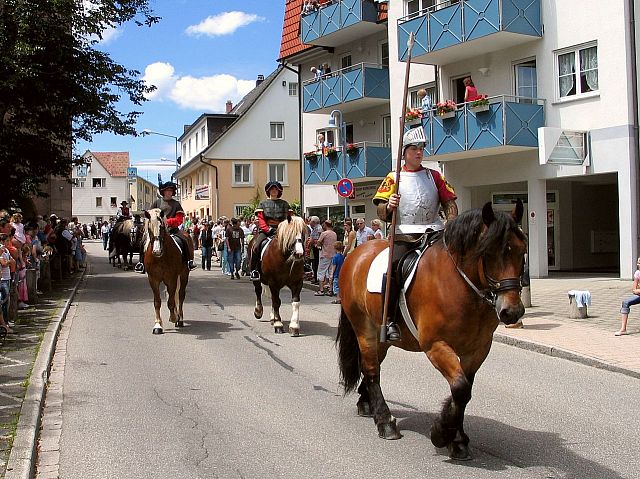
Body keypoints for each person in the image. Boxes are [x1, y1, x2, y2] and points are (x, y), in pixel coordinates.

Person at [372, 127, 458, 341]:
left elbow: (450, 204)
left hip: (435, 231)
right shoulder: (393, 178)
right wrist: (390, 205)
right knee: (393, 269)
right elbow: (381, 211)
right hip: (405, 234)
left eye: (421, 148)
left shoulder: (435, 176)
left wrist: (452, 223)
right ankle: (389, 320)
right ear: (404, 152)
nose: (419, 152)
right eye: (414, 148)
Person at [135, 181, 196, 273]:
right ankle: (141, 263)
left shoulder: (176, 204)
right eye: (167, 191)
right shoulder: (157, 203)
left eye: (171, 191)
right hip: (157, 231)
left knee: (184, 240)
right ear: (163, 192)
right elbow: (150, 216)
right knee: (143, 242)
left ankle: (189, 262)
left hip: (173, 231)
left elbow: (179, 219)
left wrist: (167, 222)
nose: (169, 192)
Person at [249, 181, 293, 281]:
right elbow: (261, 219)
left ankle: (303, 266)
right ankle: (254, 270)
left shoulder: (285, 204)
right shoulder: (263, 204)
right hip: (266, 231)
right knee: (256, 246)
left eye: (276, 189)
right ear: (268, 191)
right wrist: (268, 229)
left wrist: (284, 229)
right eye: (272, 189)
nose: (274, 191)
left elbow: (290, 219)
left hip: (282, 230)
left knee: (296, 244)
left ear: (279, 191)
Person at [616, 257, 640, 336]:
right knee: (625, 303)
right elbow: (634, 289)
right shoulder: (637, 273)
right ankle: (623, 329)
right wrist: (637, 291)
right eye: (638, 263)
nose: (638, 264)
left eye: (639, 263)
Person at [314, 220, 337, 296]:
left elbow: (318, 243)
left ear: (325, 225)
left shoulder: (324, 233)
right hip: (333, 255)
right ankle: (330, 290)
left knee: (321, 272)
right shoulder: (334, 234)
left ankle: (321, 290)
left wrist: (317, 245)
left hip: (324, 255)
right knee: (331, 272)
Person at [308, 216, 322, 284]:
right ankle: (315, 277)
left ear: (313, 222)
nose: (309, 222)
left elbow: (320, 239)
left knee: (316, 263)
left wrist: (313, 241)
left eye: (310, 221)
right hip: (313, 247)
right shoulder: (314, 228)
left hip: (317, 248)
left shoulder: (319, 228)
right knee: (314, 263)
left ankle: (317, 278)